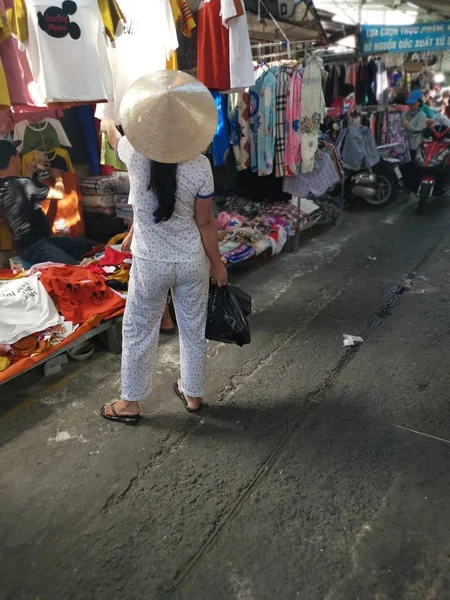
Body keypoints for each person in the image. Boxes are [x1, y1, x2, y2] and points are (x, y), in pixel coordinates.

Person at [100, 70, 227, 423]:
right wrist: (218, 265)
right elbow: (205, 223)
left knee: (139, 329)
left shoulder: (135, 154)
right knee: (192, 328)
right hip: (190, 261)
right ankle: (193, 394)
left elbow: (113, 136)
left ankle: (131, 403)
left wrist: (107, 119)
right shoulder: (200, 165)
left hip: (150, 263)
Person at [0, 139, 94, 266]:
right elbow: (59, 194)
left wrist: (29, 171)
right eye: (18, 155)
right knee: (71, 268)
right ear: (13, 159)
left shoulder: (8, 186)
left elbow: (20, 191)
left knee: (88, 246)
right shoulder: (24, 184)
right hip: (34, 246)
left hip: (34, 243)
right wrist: (59, 178)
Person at [122, 222, 176, 335]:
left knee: (149, 285)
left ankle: (166, 321)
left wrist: (131, 235)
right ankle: (167, 321)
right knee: (192, 329)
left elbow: (140, 211)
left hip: (151, 251)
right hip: (184, 255)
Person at [401, 91, 427, 201]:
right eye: (409, 103)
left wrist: (408, 125)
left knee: (414, 169)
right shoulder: (404, 114)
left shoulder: (422, 115)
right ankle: (406, 190)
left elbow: (419, 130)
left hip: (415, 146)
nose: (410, 105)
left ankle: (416, 190)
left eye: (413, 103)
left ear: (419, 102)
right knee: (404, 168)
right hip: (403, 146)